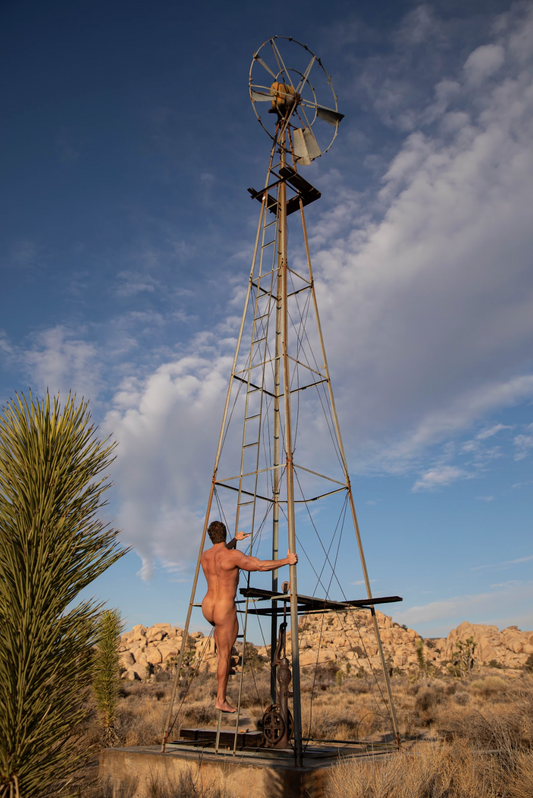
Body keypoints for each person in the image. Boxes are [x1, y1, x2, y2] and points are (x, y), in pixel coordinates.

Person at [201, 520, 298, 713]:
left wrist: (234, 540)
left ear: (209, 536)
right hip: (223, 607)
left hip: (208, 606)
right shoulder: (232, 556)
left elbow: (220, 554)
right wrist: (286, 561)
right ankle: (220, 700)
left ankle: (221, 696)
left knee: (222, 654)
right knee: (224, 657)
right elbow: (260, 566)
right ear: (225, 533)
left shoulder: (205, 556)